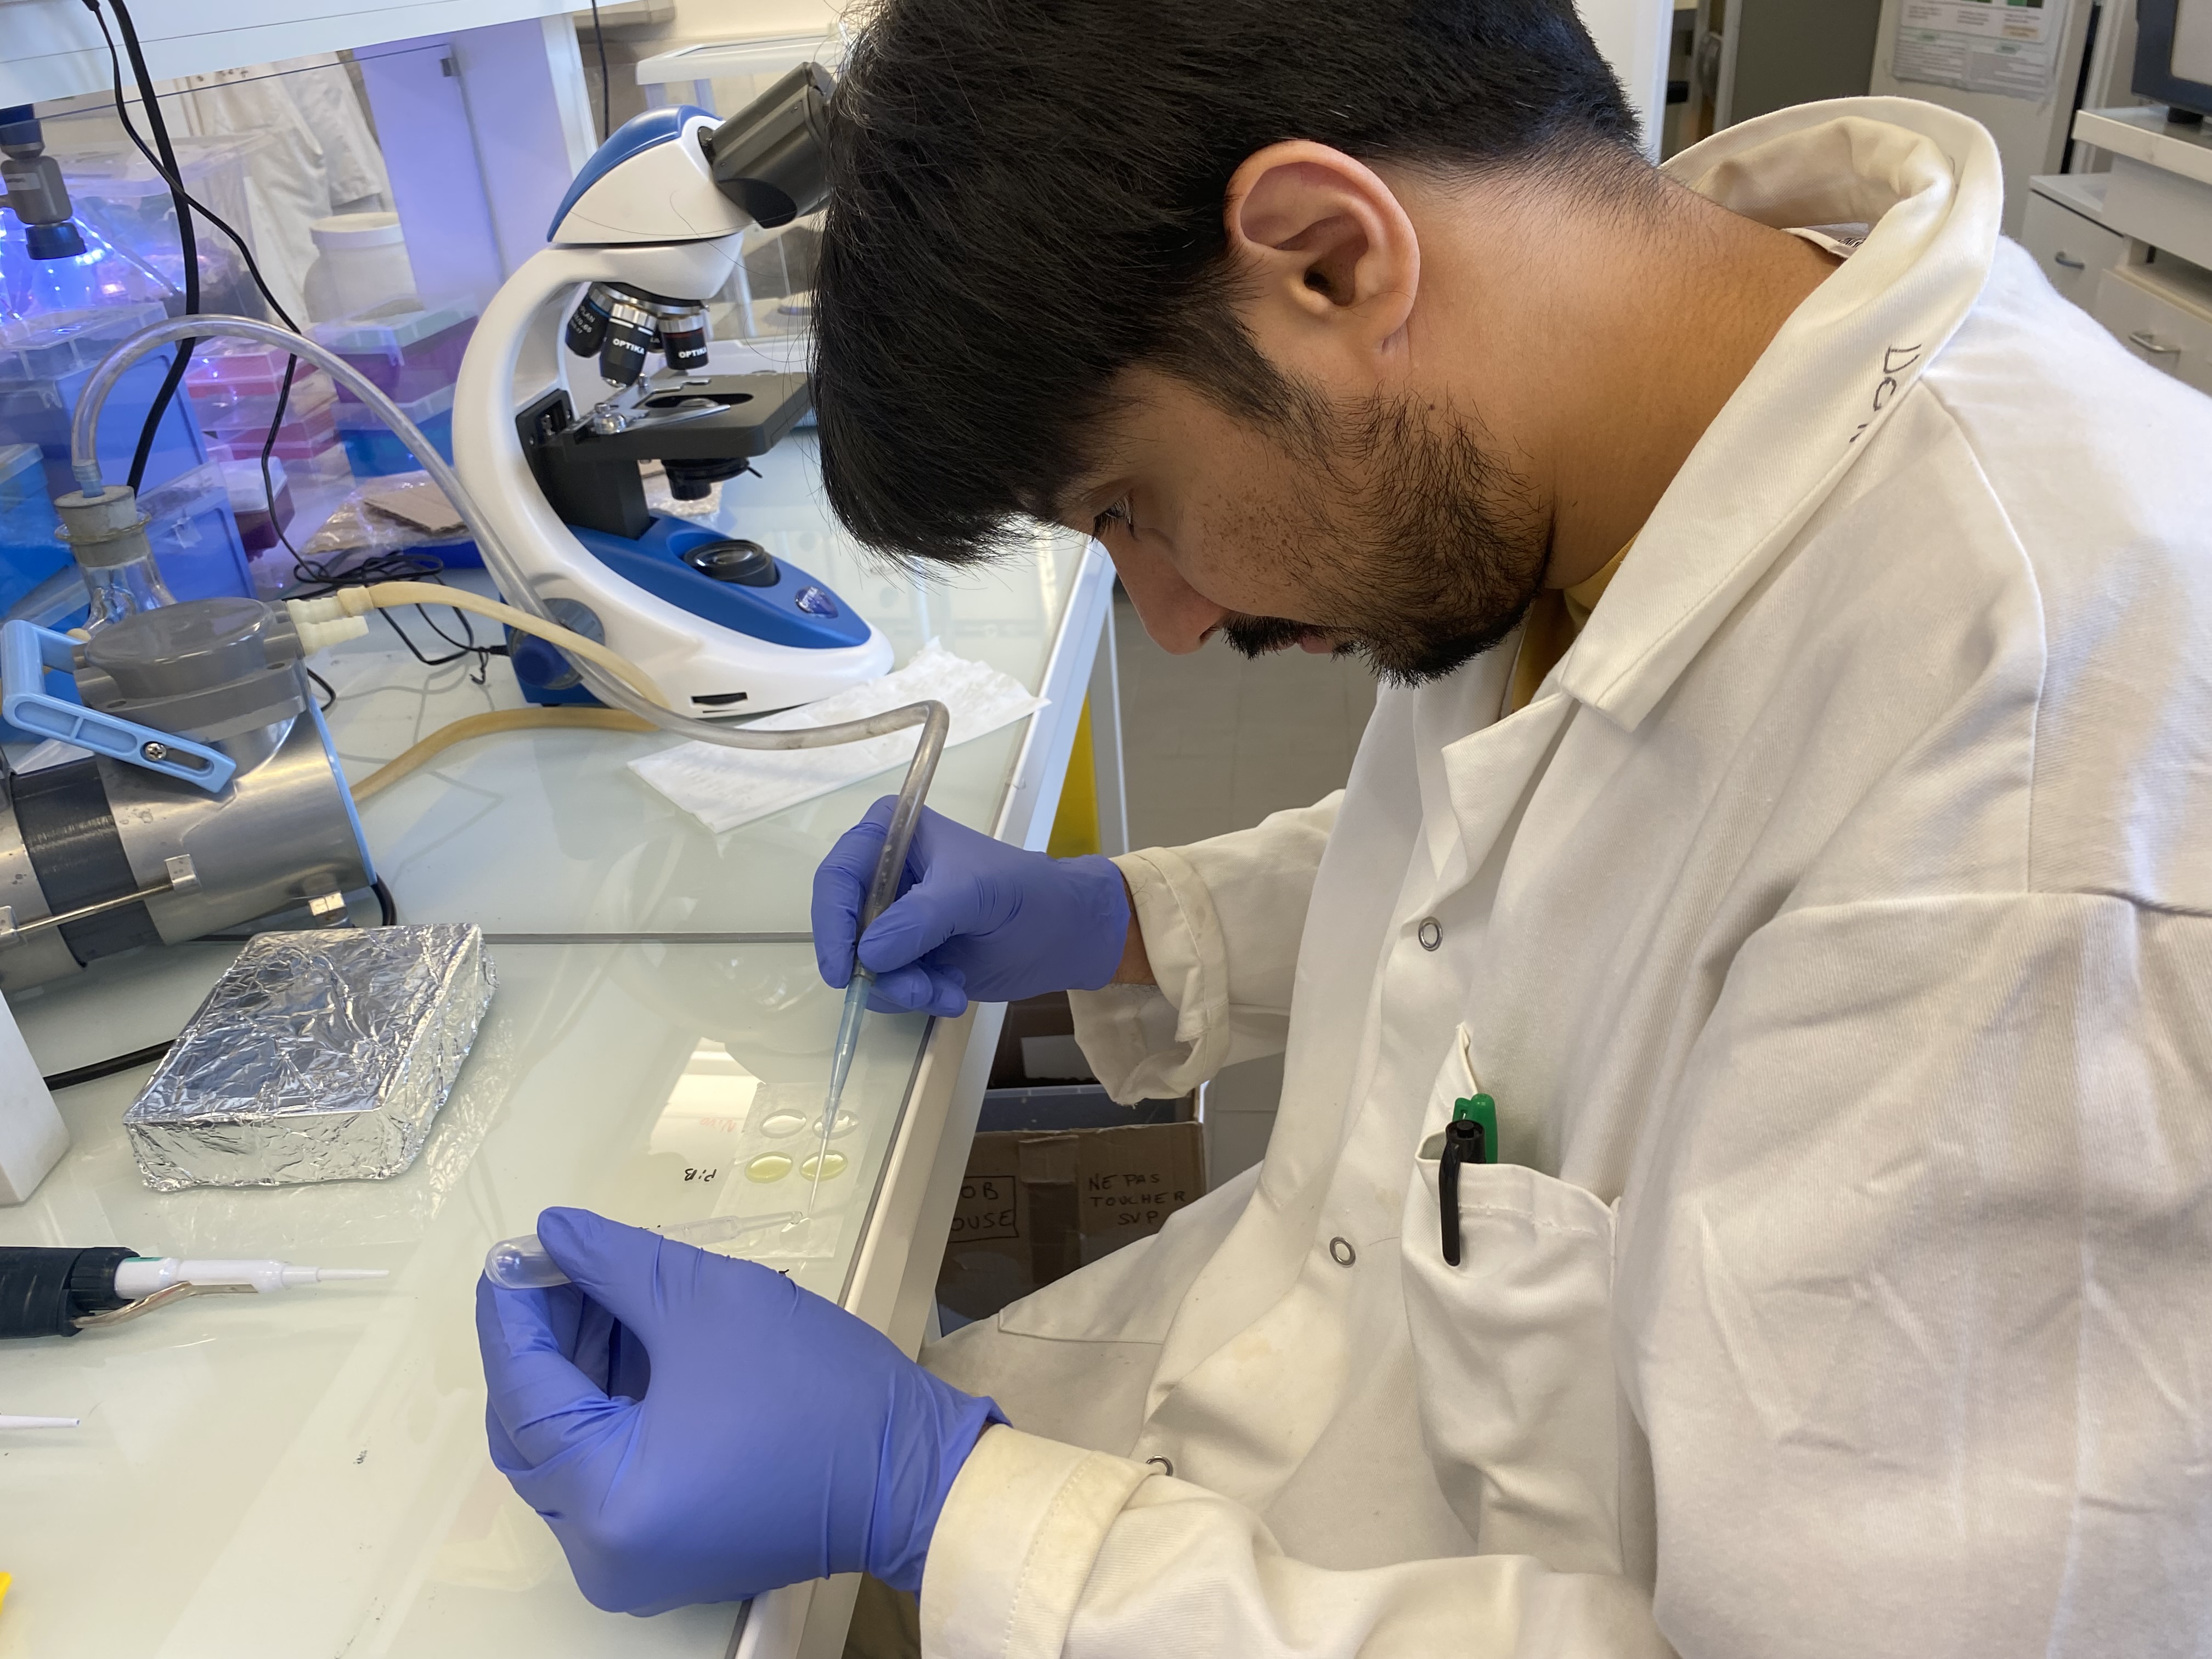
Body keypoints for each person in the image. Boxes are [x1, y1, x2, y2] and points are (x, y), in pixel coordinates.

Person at [475, 0, 2212, 1651]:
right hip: (1278, 1414)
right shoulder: (1611, 425)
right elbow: (1542, 879)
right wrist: (1134, 917)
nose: (1162, 617)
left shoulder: (2028, 788)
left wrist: (946, 1507)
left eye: (1130, 506)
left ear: (1331, 253)